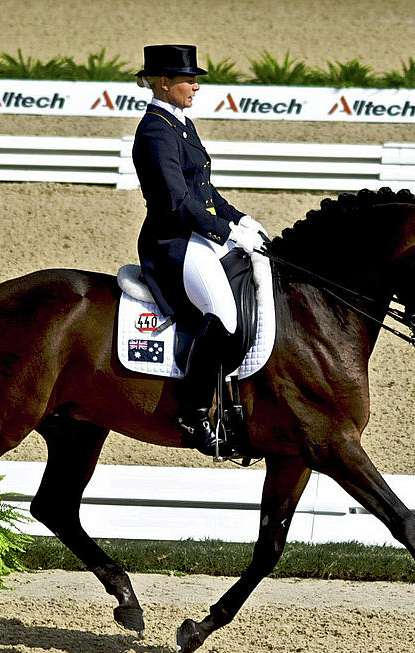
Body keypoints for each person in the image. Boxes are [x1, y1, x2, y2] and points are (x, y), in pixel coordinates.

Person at [132, 44, 268, 456]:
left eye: (196, 79)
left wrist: (241, 219)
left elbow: (204, 191)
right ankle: (192, 415)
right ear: (164, 82)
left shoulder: (181, 124)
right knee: (223, 315)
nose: (196, 86)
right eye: (189, 79)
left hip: (196, 235)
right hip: (171, 242)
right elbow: (177, 201)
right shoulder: (156, 130)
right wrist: (224, 230)